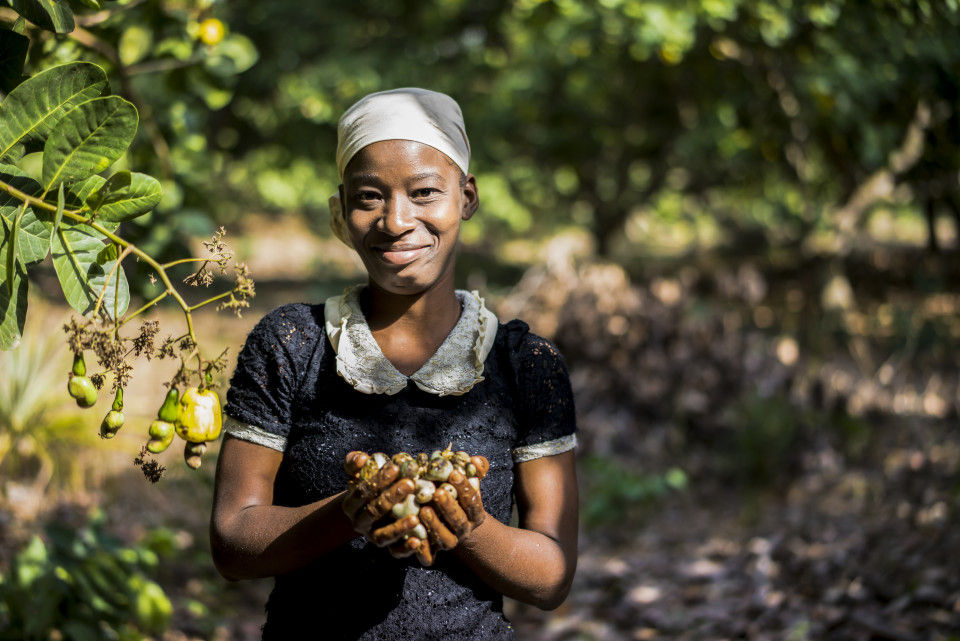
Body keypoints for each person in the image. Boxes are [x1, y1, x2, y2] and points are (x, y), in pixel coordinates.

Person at [210, 88, 579, 640]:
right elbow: (232, 543)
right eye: (369, 197)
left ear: (467, 197)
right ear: (341, 209)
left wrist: (468, 525)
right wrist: (349, 511)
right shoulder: (291, 345)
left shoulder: (525, 366)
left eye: (426, 192)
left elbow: (550, 578)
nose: (396, 220)